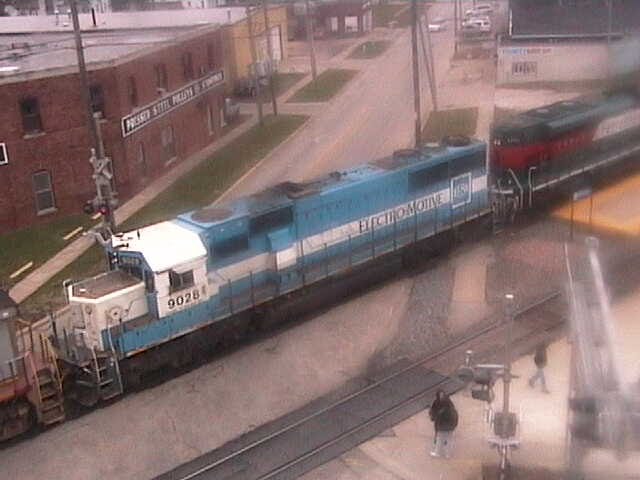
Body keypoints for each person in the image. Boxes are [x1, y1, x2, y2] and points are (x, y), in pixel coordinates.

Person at [428, 389, 458, 458]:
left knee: (440, 439)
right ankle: (448, 454)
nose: (441, 396)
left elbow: (435, 414)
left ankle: (437, 453)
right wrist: (454, 426)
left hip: (442, 426)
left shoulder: (441, 411)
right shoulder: (452, 409)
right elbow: (456, 417)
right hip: (449, 426)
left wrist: (434, 419)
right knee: (448, 439)